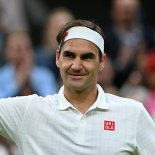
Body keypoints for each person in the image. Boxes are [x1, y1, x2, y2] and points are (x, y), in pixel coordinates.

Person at [0, 19, 155, 155]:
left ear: (102, 61)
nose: (76, 65)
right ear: (57, 58)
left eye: (87, 57)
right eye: (69, 55)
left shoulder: (133, 113)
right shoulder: (29, 111)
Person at [0, 31, 58, 98]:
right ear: (7, 52)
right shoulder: (1, 76)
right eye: (18, 49)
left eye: (27, 48)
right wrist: (17, 83)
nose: (22, 54)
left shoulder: (45, 75)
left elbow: (52, 101)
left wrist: (32, 81)